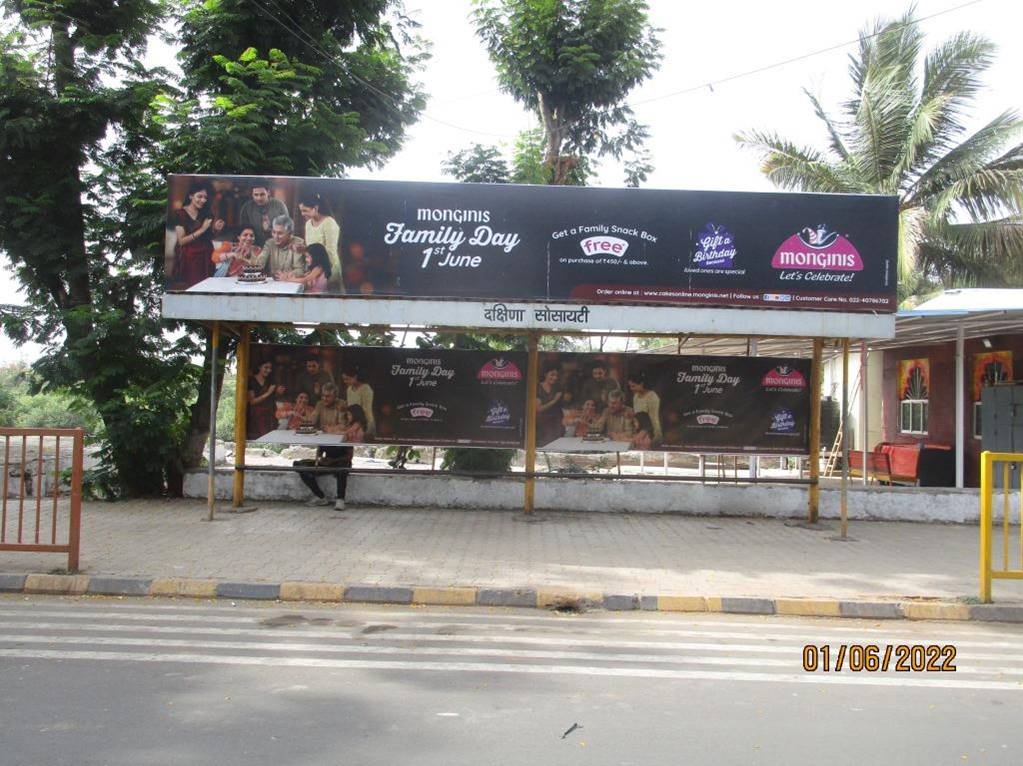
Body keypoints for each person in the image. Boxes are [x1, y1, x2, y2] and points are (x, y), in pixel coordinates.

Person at [172, 181, 224, 287]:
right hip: (190, 257)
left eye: (205, 197)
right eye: (199, 196)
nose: (203, 200)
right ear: (191, 196)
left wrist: (216, 229)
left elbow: (209, 237)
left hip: (207, 256)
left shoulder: (207, 213)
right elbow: (181, 241)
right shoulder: (180, 214)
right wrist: (202, 229)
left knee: (207, 288)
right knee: (192, 288)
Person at [298, 191, 343, 292]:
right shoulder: (308, 224)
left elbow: (330, 252)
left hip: (328, 269)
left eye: (305, 210)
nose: (302, 214)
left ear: (316, 208)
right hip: (314, 269)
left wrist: (316, 272)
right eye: (301, 211)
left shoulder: (329, 223)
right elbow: (312, 250)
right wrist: (303, 249)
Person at [294, 444, 353, 511]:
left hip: (342, 463)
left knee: (342, 471)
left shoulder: (345, 438)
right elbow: (319, 454)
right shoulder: (325, 438)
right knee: (299, 465)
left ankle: (340, 499)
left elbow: (349, 457)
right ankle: (320, 496)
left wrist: (333, 460)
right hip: (327, 463)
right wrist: (321, 460)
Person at [238, 180, 289, 246]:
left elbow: (286, 229)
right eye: (256, 195)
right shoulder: (246, 208)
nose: (259, 198)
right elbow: (243, 230)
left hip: (275, 245)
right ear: (252, 194)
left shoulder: (279, 206)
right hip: (254, 246)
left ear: (268, 192)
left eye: (262, 194)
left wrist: (270, 229)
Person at [247, 360, 284, 439]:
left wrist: (278, 393)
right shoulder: (251, 380)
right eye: (266, 367)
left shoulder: (270, 382)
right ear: (259, 367)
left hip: (269, 414)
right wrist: (268, 393)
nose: (268, 370)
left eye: (270, 368)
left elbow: (272, 399)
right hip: (256, 415)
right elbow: (252, 402)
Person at [260, 215, 306, 279]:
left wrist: (286, 276)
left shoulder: (298, 243)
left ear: (290, 234)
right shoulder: (269, 243)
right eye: (274, 232)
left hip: (291, 283)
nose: (276, 236)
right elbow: (260, 263)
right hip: (273, 284)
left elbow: (300, 270)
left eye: (280, 233)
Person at [627, 371, 662, 442]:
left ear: (641, 384)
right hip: (639, 430)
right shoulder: (635, 396)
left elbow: (654, 417)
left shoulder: (652, 396)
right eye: (630, 386)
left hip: (649, 430)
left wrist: (656, 435)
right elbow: (636, 415)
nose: (631, 388)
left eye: (633, 386)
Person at [341, 367, 375, 436]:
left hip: (365, 423)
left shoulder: (366, 389)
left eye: (347, 379)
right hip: (354, 423)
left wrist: (356, 426)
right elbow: (351, 408)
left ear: (355, 377)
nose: (345, 381)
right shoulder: (349, 389)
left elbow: (366, 410)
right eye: (344, 379)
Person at [536, 364, 564, 446]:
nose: (555, 377)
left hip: (557, 422)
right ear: (545, 374)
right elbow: (538, 409)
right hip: (542, 424)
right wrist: (554, 401)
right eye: (552, 374)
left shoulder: (558, 388)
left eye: (556, 375)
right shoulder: (538, 388)